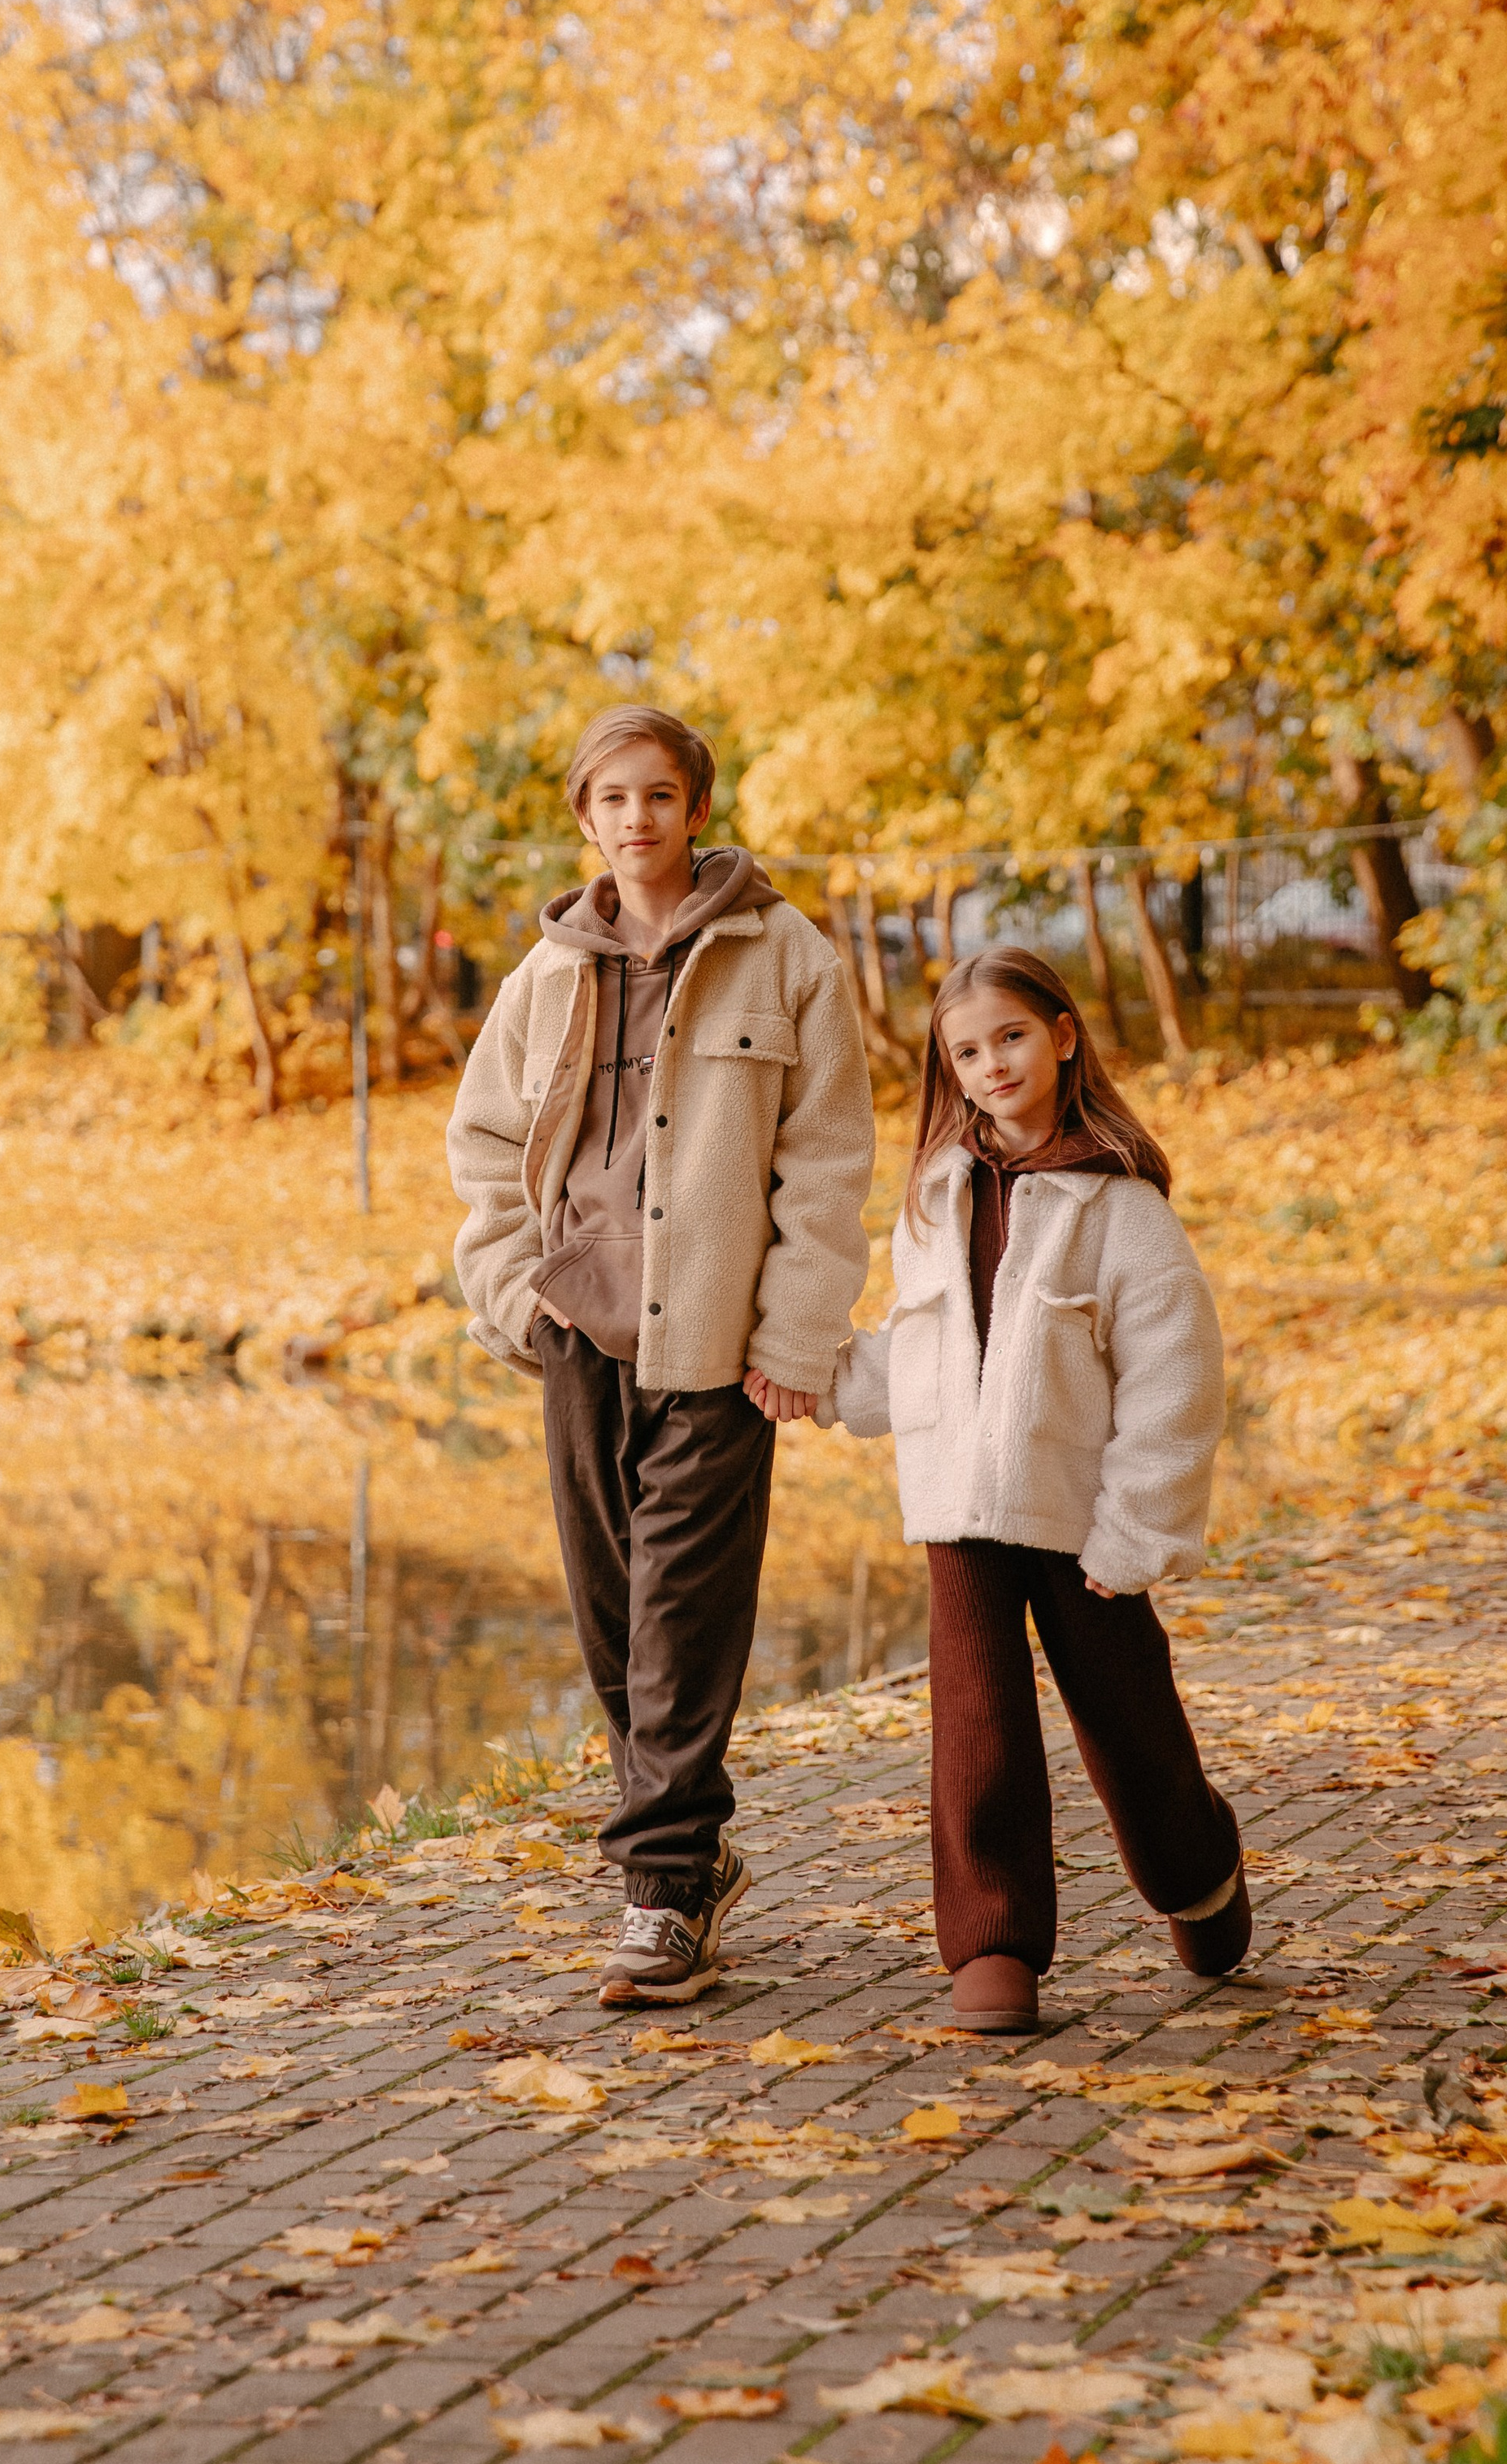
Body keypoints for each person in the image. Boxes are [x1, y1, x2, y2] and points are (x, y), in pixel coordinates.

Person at [447, 705, 874, 2005]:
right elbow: (485, 1148)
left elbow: (828, 1159)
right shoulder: (545, 976)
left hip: (716, 1339)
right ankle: (685, 1852)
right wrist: (518, 1298)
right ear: (587, 820)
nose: (638, 818)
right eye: (613, 799)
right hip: (582, 1327)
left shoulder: (785, 956)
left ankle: (667, 1887)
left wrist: (795, 1334)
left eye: (661, 795)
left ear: (698, 808)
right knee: (610, 1610)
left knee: (681, 1610)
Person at [817, 945, 1243, 2035]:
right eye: (967, 1051)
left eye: (1010, 1037)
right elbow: (920, 1349)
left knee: (1129, 1718)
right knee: (977, 1721)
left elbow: (1175, 1380)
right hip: (959, 1502)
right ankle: (994, 1941)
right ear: (947, 1070)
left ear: (1062, 1035)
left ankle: (1197, 1875)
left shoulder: (1120, 1210)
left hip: (1084, 1515)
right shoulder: (933, 1195)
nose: (991, 1064)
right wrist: (819, 1382)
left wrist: (1135, 1529)